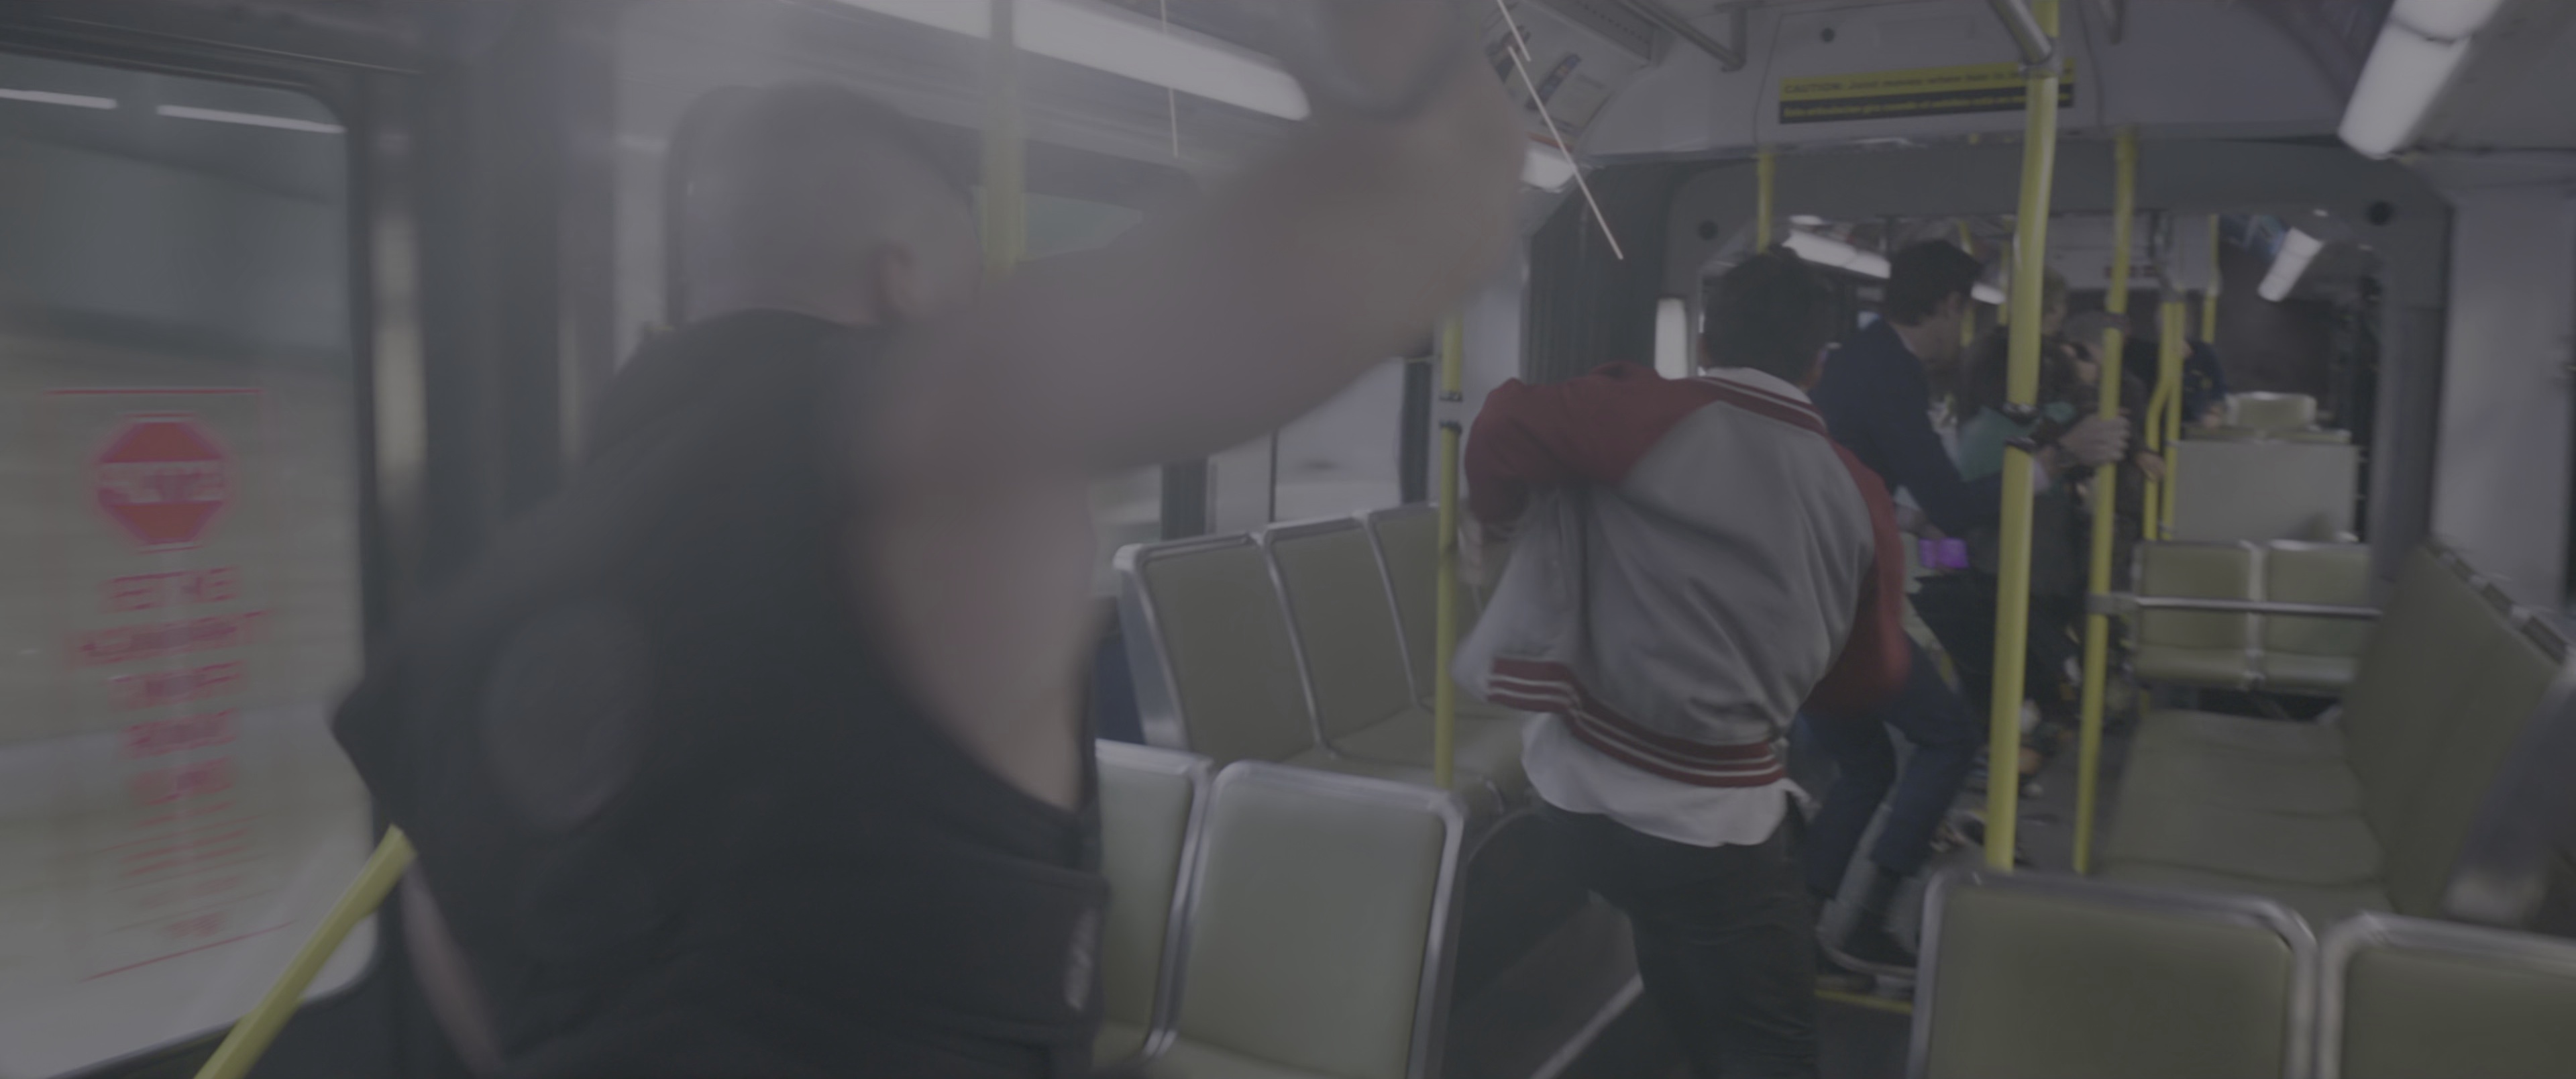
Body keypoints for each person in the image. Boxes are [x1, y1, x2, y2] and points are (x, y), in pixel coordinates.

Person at [331, 5, 1526, 1074]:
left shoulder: (456, 646)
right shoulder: (937, 427)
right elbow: (1434, 190)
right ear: (904, 278)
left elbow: (498, 1018)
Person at [1459, 249, 1910, 1078]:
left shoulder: (1634, 413)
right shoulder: (1858, 493)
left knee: (1674, 941)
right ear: (1816, 363)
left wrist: (1501, 519)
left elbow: (1497, 429)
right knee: (1774, 1046)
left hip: (1575, 799)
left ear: (1705, 342)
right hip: (1710, 825)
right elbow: (1870, 677)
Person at [1803, 244, 2126, 974]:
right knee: (1948, 738)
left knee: (1866, 767)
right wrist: (2058, 459)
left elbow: (1850, 472)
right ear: (1949, 304)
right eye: (1967, 311)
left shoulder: (1855, 362)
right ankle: (1867, 921)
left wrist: (1906, 519)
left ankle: (1802, 920)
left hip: (1812, 596)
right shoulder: (1891, 371)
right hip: (1840, 606)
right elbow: (1953, 502)